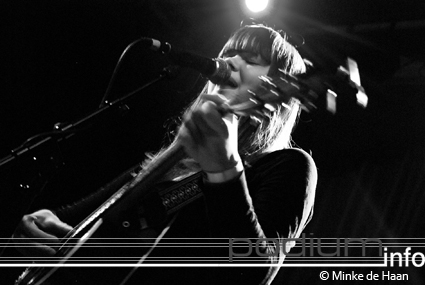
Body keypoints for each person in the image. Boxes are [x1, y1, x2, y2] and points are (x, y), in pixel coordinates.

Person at [12, 24, 317, 285]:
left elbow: (253, 272)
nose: (229, 62)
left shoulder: (288, 165)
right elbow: (83, 215)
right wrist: (40, 224)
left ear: (275, 92)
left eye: (249, 59)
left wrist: (225, 168)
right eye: (228, 54)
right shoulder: (172, 162)